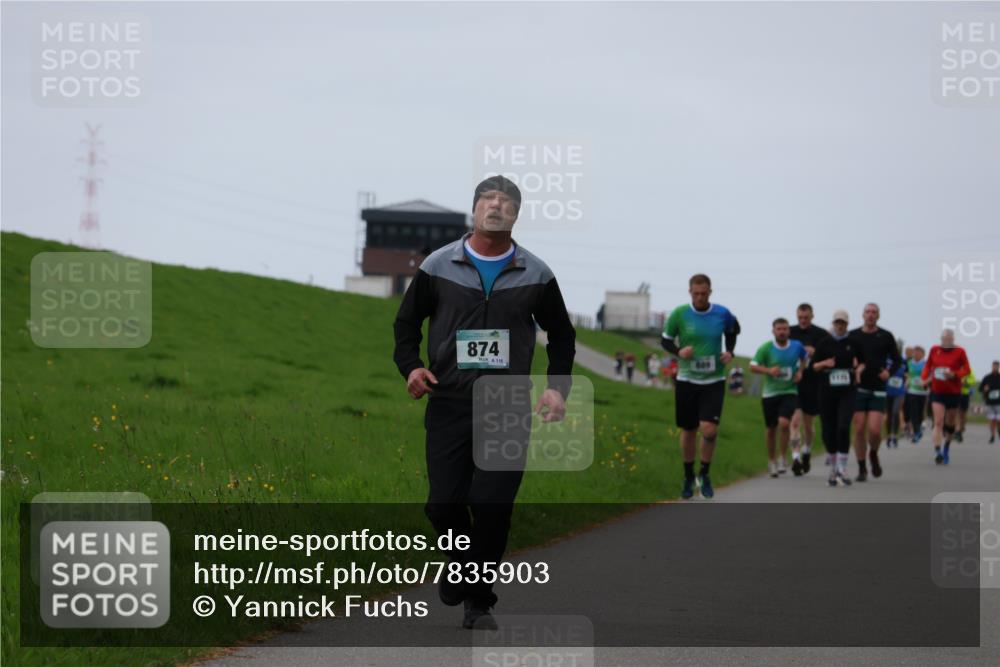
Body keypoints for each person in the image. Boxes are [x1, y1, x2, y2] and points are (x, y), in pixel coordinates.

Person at [393, 175, 575, 629]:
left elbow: (562, 336)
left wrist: (556, 387)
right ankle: (461, 568)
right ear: (474, 209)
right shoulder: (438, 266)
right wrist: (411, 367)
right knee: (442, 506)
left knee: (492, 505)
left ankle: (479, 602)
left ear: (516, 214)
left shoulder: (536, 273)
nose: (496, 206)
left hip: (508, 405)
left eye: (506, 201)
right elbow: (406, 324)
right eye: (487, 199)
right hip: (450, 400)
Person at [661, 274, 740, 499]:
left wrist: (730, 352)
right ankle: (688, 476)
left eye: (704, 293)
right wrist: (678, 352)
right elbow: (665, 340)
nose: (700, 297)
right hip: (687, 380)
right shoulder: (680, 314)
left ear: (710, 292)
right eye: (696, 293)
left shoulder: (722, 313)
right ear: (690, 292)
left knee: (709, 429)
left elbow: (733, 331)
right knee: (688, 430)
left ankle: (704, 474)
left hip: (713, 380)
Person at [848, 303, 902, 481]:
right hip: (858, 388)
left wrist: (889, 372)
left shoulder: (885, 336)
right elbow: (845, 356)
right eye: (868, 312)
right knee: (859, 428)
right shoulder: (853, 335)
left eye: (874, 312)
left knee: (875, 430)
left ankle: (873, 453)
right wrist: (854, 366)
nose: (870, 315)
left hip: (878, 387)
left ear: (878, 316)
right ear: (862, 315)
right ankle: (862, 467)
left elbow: (897, 360)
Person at [750, 318, 808, 477]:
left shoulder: (796, 346)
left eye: (785, 329)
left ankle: (782, 457)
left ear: (789, 331)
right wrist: (768, 371)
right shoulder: (766, 348)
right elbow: (752, 366)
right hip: (770, 394)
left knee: (784, 423)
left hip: (789, 391)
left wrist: (800, 372)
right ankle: (771, 461)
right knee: (771, 429)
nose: (782, 332)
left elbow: (805, 358)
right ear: (773, 331)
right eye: (779, 329)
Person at [811, 310, 862, 487]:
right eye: (837, 323)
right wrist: (825, 363)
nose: (840, 326)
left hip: (847, 391)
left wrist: (858, 369)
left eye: (843, 323)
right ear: (833, 324)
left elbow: (863, 362)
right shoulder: (824, 343)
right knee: (828, 430)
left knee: (843, 426)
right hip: (827, 391)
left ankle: (843, 467)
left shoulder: (853, 342)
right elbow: (813, 367)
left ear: (847, 324)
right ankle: (833, 468)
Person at [788, 303, 829, 475]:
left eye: (806, 317)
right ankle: (795, 458)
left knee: (808, 425)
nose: (803, 321)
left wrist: (815, 351)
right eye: (800, 317)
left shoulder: (821, 334)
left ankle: (807, 450)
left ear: (812, 316)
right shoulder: (790, 332)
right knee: (794, 422)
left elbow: (830, 355)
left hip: (813, 383)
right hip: (794, 382)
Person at [921, 329, 971, 465]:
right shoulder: (934, 350)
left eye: (948, 339)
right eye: (943, 338)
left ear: (953, 339)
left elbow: (967, 369)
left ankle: (946, 447)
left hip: (953, 392)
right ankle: (938, 452)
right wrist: (924, 378)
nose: (945, 341)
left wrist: (954, 374)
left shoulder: (960, 351)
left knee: (950, 423)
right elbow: (928, 366)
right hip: (937, 391)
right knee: (938, 422)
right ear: (940, 339)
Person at [904, 346, 929, 443]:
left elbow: (930, 375)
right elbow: (907, 373)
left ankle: (919, 428)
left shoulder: (926, 364)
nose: (916, 354)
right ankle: (916, 432)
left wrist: (926, 382)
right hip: (912, 390)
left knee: (920, 412)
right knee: (913, 412)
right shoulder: (909, 363)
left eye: (918, 352)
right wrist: (907, 380)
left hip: (923, 392)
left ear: (923, 354)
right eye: (915, 352)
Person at [884, 356, 907, 448]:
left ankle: (895, 436)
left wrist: (906, 382)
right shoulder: (886, 360)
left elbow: (908, 374)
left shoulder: (903, 361)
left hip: (900, 392)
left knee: (895, 411)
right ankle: (889, 436)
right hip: (888, 391)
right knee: (889, 413)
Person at [979, 360, 1000, 444]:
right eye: (994, 366)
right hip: (989, 402)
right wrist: (984, 389)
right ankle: (992, 435)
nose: (995, 367)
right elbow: (980, 388)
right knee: (991, 420)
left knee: (998, 420)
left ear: (999, 367)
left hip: (999, 402)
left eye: (997, 366)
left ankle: (999, 429)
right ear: (992, 366)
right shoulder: (987, 377)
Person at [955, 369, 977, 442]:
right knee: (956, 412)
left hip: (965, 394)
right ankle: (957, 431)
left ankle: (961, 428)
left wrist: (966, 381)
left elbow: (973, 380)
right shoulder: (955, 367)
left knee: (963, 414)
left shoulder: (968, 369)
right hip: (956, 393)